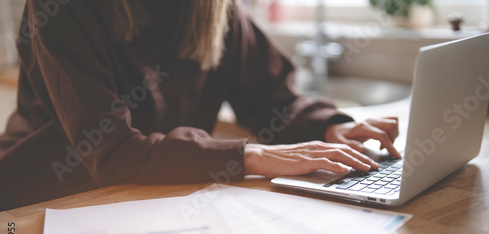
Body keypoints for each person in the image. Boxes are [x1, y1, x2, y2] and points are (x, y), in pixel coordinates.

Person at [0, 0, 399, 211]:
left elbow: (270, 97)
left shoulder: (215, 9)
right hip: (45, 200)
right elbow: (114, 152)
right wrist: (253, 156)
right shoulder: (61, 8)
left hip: (157, 199)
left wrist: (329, 126)